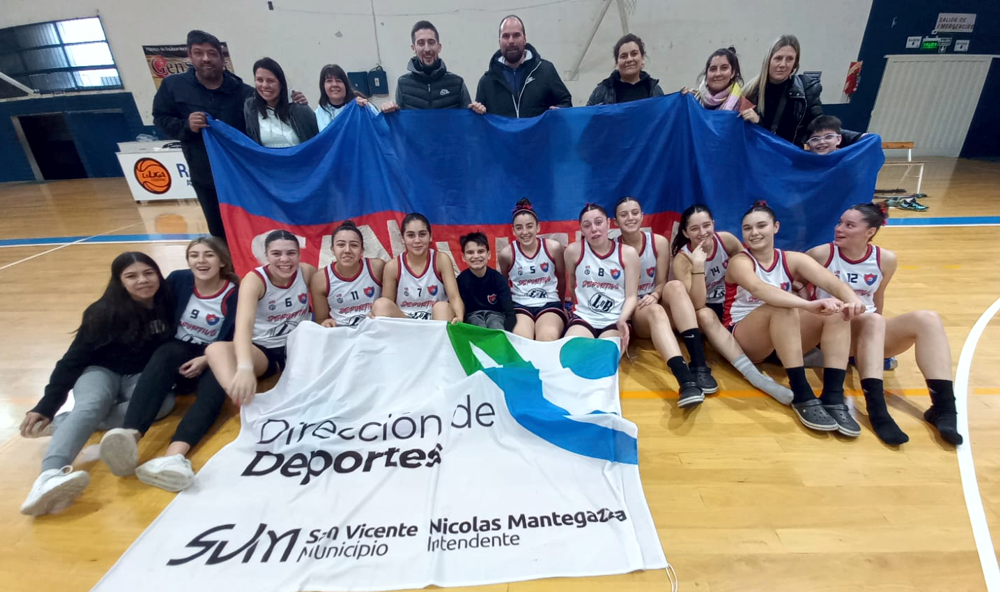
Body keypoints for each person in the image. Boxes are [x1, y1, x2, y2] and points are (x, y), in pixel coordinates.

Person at [19, 253, 175, 515]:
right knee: (93, 402)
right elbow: (72, 360)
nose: (142, 280)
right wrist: (46, 406)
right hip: (100, 371)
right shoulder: (103, 312)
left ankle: (65, 423)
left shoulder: (170, 301)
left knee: (162, 404)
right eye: (132, 276)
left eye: (148, 273)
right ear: (119, 281)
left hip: (141, 376)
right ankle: (48, 476)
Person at [802, 204, 962, 446]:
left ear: (870, 231)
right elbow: (796, 285)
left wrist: (876, 340)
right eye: (840, 222)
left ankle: (944, 410)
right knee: (872, 319)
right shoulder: (821, 254)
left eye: (849, 225)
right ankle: (877, 409)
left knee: (927, 319)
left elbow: (878, 298)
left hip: (867, 332)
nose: (839, 229)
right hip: (831, 333)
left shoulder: (885, 259)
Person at [98, 238, 239, 491]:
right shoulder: (178, 280)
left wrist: (208, 358)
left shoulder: (236, 291)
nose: (201, 261)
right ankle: (130, 436)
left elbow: (239, 333)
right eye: (194, 255)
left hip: (216, 353)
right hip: (179, 353)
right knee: (166, 351)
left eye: (208, 255)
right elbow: (148, 305)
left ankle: (174, 456)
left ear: (222, 261)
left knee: (215, 387)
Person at [724, 201, 866, 434]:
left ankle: (833, 395)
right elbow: (760, 290)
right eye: (748, 228)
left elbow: (831, 282)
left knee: (838, 311)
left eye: (761, 226)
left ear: (776, 227)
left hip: (784, 338)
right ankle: (801, 391)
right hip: (748, 337)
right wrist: (807, 304)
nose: (754, 232)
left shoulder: (791, 259)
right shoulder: (740, 261)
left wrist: (853, 299)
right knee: (782, 305)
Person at [671, 204, 794, 404]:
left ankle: (782, 356)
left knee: (777, 304)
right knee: (704, 314)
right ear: (685, 232)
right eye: (694, 229)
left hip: (736, 304)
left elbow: (749, 263)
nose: (702, 233)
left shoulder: (726, 240)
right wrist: (699, 266)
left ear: (713, 224)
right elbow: (696, 303)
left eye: (706, 225)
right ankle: (752, 376)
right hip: (704, 309)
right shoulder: (683, 259)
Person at [152, 30, 253, 240]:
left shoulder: (243, 92)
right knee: (219, 231)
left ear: (222, 58)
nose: (206, 58)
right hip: (205, 177)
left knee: (250, 227)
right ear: (190, 55)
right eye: (199, 53)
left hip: (241, 177)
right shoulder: (173, 86)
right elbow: (160, 118)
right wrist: (186, 126)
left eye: (212, 53)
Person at [615, 197, 717, 394]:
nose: (630, 218)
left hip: (656, 301)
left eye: (635, 212)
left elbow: (661, 282)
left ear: (642, 215)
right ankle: (684, 378)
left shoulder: (658, 242)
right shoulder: (614, 248)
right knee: (654, 309)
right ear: (616, 221)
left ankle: (699, 365)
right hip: (636, 311)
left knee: (676, 286)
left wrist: (655, 293)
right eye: (623, 214)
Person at [205, 230, 317, 407]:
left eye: (291, 253)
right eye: (276, 253)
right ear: (266, 256)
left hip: (300, 346)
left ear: (299, 254)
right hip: (265, 350)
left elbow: (329, 294)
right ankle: (247, 404)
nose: (284, 259)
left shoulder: (307, 272)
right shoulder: (254, 280)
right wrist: (245, 367)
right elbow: (244, 326)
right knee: (214, 350)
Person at [743, 35, 861, 146]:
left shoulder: (806, 90)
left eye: (789, 59)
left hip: (789, 160)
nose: (783, 64)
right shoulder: (751, 91)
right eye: (778, 58)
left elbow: (821, 126)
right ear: (768, 61)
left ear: (795, 64)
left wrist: (858, 138)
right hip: (755, 158)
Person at [370, 213, 464, 322]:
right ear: (403, 238)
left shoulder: (441, 260)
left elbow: (454, 297)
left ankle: (438, 338)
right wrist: (377, 314)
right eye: (411, 235)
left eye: (422, 234)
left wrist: (459, 318)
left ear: (430, 236)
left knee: (442, 307)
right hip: (405, 323)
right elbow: (388, 304)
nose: (417, 240)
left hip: (434, 321)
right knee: (381, 304)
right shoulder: (393, 266)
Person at [474, 15, 572, 118]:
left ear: (524, 39)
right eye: (506, 36)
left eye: (516, 35)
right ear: (499, 41)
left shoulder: (545, 71)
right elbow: (479, 125)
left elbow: (566, 102)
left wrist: (560, 110)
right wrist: (477, 111)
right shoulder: (487, 81)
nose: (511, 41)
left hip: (539, 134)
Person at [498, 198, 566, 341]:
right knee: (522, 340)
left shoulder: (553, 248)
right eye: (519, 227)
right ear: (513, 230)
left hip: (549, 303)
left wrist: (561, 304)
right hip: (520, 306)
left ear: (538, 227)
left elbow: (562, 278)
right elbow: (503, 285)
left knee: (547, 337)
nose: (525, 232)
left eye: (529, 226)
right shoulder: (506, 254)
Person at [381, 21, 476, 113]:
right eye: (421, 43)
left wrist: (477, 111)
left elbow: (468, 122)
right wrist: (389, 112)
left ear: (439, 47)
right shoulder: (403, 84)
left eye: (431, 42)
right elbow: (400, 124)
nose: (427, 49)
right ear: (414, 48)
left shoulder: (457, 82)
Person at [310, 220, 384, 327]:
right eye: (341, 245)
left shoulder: (377, 267)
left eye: (354, 245)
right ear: (332, 250)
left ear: (362, 250)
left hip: (373, 330)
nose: (347, 250)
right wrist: (325, 323)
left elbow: (389, 305)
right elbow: (321, 320)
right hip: (341, 333)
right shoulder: (321, 278)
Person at [244, 57, 319, 148]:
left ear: (281, 83)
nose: (264, 85)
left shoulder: (299, 107)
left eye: (270, 81)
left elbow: (317, 141)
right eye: (259, 80)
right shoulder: (250, 109)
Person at [457, 231, 516, 331]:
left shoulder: (498, 279)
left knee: (495, 323)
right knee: (477, 324)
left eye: (480, 251)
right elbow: (460, 312)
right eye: (470, 252)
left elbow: (510, 313)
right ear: (463, 257)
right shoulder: (461, 280)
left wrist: (506, 334)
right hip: (472, 316)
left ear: (488, 255)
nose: (476, 256)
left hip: (496, 315)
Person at [586, 34, 663, 106]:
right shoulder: (602, 91)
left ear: (642, 59)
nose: (629, 59)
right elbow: (587, 117)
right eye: (623, 56)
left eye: (634, 54)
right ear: (616, 63)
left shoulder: (655, 90)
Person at [683, 47, 756, 122]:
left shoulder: (743, 108)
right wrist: (682, 103)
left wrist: (756, 122)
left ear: (732, 73)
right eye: (713, 69)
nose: (718, 74)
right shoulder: (693, 101)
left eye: (724, 68)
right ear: (706, 74)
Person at [315, 64, 378, 130]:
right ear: (323, 86)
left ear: (346, 85)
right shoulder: (318, 115)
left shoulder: (361, 106)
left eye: (338, 80)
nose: (334, 84)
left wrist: (368, 112)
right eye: (329, 81)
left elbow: (379, 128)